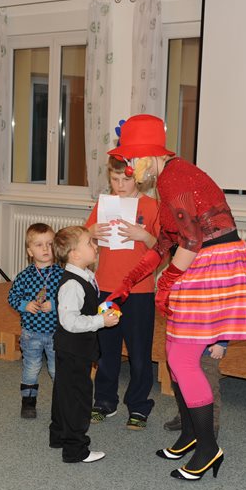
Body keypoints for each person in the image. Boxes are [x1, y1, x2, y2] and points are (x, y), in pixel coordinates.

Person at [109, 114, 246, 481]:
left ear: (147, 154)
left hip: (209, 263)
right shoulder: (171, 175)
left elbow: (192, 240)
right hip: (204, 260)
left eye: (131, 158)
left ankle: (209, 449)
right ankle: (191, 435)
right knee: (176, 353)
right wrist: (129, 281)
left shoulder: (173, 177)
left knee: (182, 357)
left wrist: (166, 283)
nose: (129, 166)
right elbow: (167, 241)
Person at [86, 150, 160, 429]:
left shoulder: (152, 206)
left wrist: (144, 236)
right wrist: (91, 233)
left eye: (125, 180)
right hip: (106, 288)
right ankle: (104, 401)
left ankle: (139, 405)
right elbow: (84, 242)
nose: (119, 185)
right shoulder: (104, 204)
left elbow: (164, 248)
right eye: (114, 179)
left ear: (137, 178)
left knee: (139, 352)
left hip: (140, 291)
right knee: (107, 349)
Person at [49, 225, 118, 463]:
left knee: (64, 393)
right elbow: (69, 321)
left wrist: (100, 312)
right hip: (73, 349)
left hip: (73, 348)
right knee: (78, 398)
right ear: (75, 254)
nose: (95, 246)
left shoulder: (85, 275)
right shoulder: (72, 284)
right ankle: (75, 449)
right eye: (90, 243)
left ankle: (58, 435)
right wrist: (101, 321)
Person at [6, 223, 62, 419]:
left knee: (57, 369)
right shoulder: (24, 276)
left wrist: (55, 304)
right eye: (39, 245)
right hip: (31, 332)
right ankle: (28, 402)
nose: (45, 248)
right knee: (31, 367)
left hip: (57, 333)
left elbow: (71, 298)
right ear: (30, 251)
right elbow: (12, 298)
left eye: (49, 244)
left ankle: (62, 403)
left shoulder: (62, 274)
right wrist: (25, 305)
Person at [164, 342, 226, 437]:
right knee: (184, 386)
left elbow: (225, 330)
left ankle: (212, 424)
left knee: (209, 387)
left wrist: (221, 344)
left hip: (208, 350)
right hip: (185, 347)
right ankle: (184, 418)